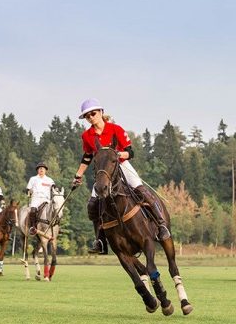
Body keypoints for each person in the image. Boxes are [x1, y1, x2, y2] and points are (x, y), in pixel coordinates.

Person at [72, 98, 171, 254]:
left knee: (142, 191)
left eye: (93, 113)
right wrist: (78, 175)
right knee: (92, 205)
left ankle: (161, 225)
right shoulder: (87, 136)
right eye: (87, 116)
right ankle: (100, 241)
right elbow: (87, 156)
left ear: (101, 112)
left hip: (121, 165)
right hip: (103, 172)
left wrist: (117, 154)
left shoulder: (115, 128)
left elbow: (130, 152)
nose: (91, 117)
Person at [26, 162, 55, 235]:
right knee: (32, 211)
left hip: (46, 199)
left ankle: (55, 226)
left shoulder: (49, 180)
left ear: (45, 170)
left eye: (43, 168)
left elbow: (54, 187)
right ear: (37, 170)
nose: (41, 169)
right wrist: (29, 192)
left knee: (54, 209)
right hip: (36, 199)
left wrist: (56, 189)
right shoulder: (33, 179)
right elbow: (28, 188)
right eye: (40, 168)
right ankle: (33, 227)